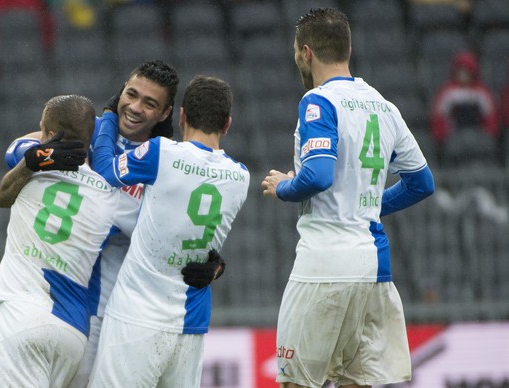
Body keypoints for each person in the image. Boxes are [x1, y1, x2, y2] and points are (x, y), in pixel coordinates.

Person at [0, 60, 225, 388]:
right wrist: (42, 156)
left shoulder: (165, 162)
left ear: (165, 114)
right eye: (131, 94)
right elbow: (16, 150)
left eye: (149, 103)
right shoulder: (87, 136)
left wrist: (214, 265)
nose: (134, 107)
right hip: (68, 303)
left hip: (125, 316)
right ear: (120, 92)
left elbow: (189, 230)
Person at [261, 8, 435, 388]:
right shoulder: (384, 106)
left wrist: (284, 188)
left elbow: (319, 174)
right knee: (356, 382)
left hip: (325, 267)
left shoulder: (317, 102)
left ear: (305, 52)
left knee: (297, 383)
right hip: (375, 271)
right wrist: (367, 204)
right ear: (347, 48)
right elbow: (422, 182)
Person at [87, 75, 250, 387]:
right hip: (191, 322)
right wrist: (217, 266)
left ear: (182, 116)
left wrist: (108, 117)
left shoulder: (162, 153)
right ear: (227, 124)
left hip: (138, 315)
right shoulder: (240, 176)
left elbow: (107, 171)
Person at [0, 94, 124, 387]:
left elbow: (7, 183)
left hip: (21, 314)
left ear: (49, 134)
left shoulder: (32, 170)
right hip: (72, 332)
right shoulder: (110, 198)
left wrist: (41, 155)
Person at [429, 50, 499, 166]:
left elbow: (490, 118)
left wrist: (485, 135)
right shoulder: (447, 92)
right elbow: (439, 118)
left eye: (467, 71)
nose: (463, 74)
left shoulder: (482, 92)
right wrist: (443, 136)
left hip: (478, 135)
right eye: (461, 71)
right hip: (454, 135)